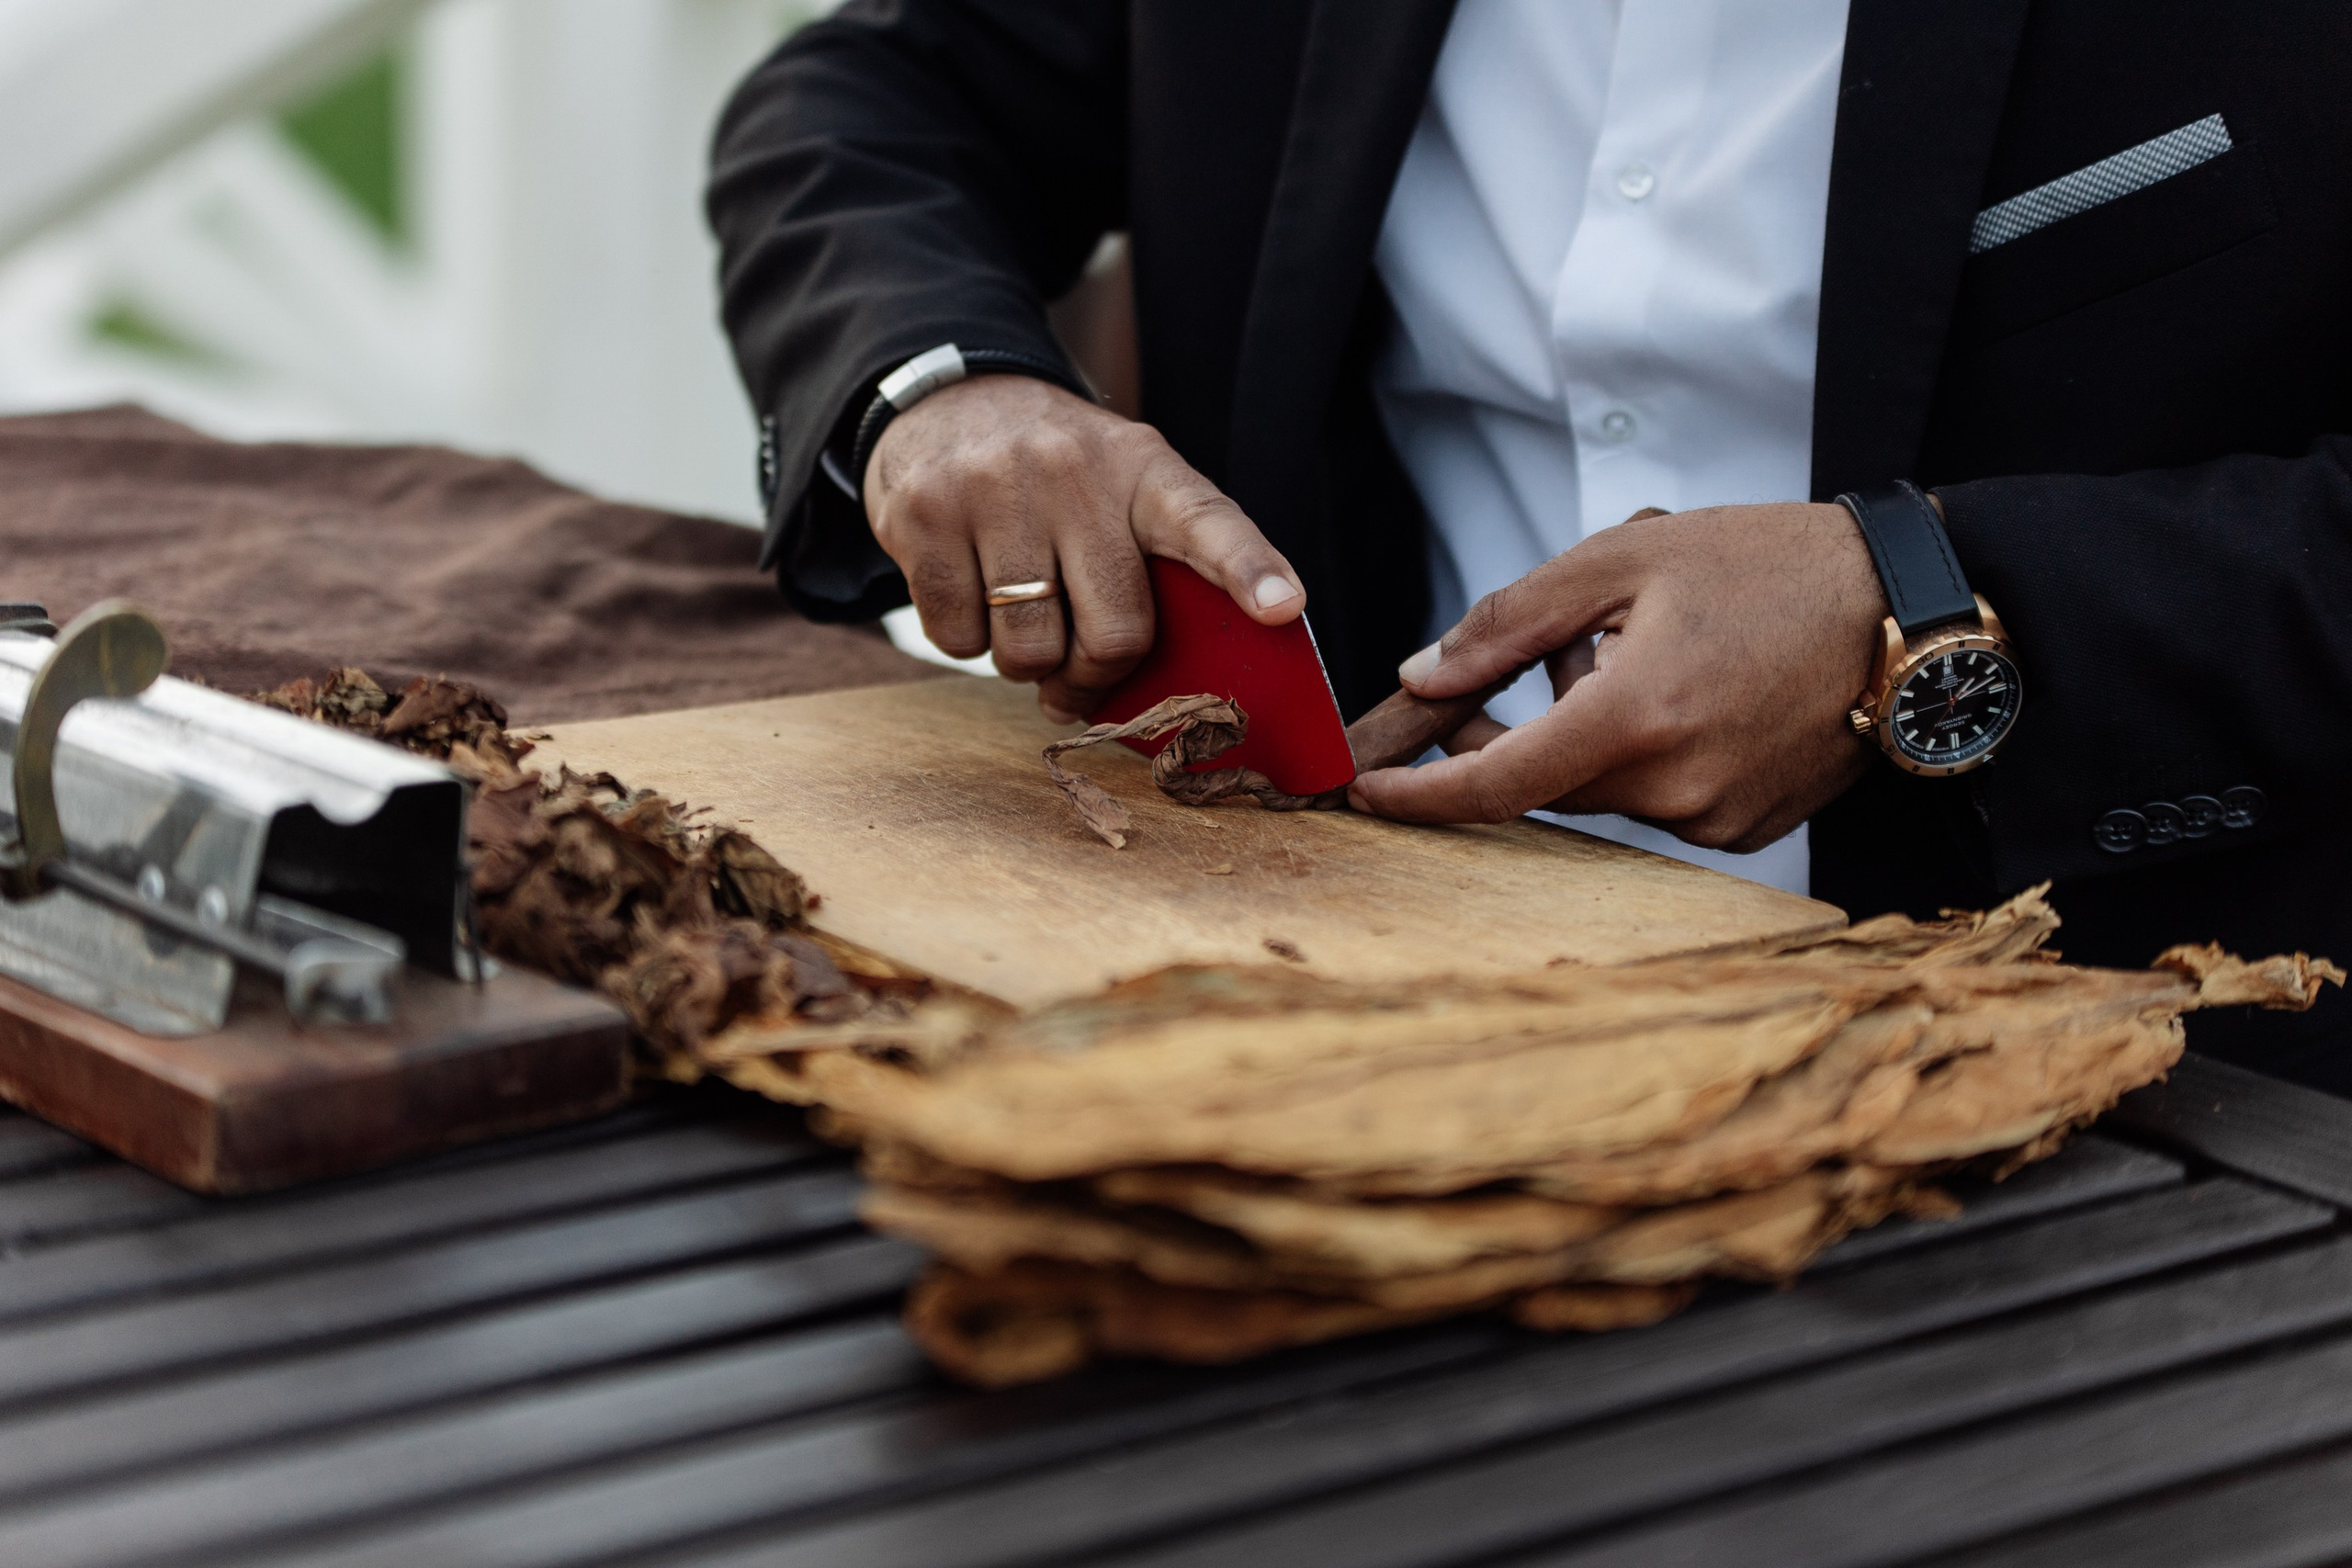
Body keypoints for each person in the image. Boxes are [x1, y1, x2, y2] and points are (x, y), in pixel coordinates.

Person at [706, 0, 2352, 1090]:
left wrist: (1921, 609)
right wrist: (942, 385)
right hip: (1328, 1022)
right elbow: (868, 94)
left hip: (2155, 1089)